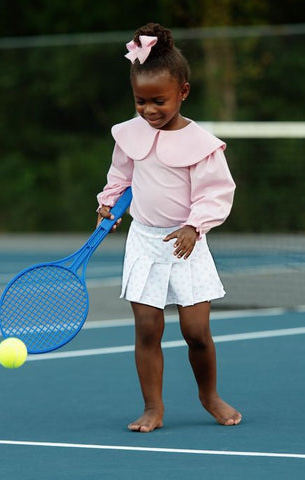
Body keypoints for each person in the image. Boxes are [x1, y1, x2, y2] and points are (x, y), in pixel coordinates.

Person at [97, 23, 242, 432]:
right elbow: (119, 179)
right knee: (148, 328)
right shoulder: (129, 135)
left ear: (183, 92)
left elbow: (215, 195)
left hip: (187, 244)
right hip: (144, 242)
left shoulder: (203, 146)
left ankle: (209, 395)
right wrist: (107, 206)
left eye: (158, 100)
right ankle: (153, 407)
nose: (148, 110)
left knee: (196, 331)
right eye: (140, 101)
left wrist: (195, 227)